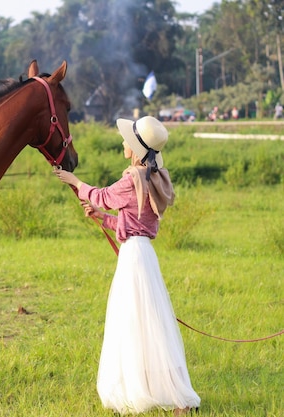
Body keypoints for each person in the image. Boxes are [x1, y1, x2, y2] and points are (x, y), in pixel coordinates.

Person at [55, 116, 200, 416]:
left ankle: (145, 390)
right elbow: (133, 223)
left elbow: (104, 196)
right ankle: (174, 395)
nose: (123, 142)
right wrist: (101, 217)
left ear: (135, 148)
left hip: (133, 258)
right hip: (143, 253)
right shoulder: (152, 177)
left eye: (127, 140)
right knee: (152, 323)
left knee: (132, 321)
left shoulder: (133, 176)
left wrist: (76, 183)